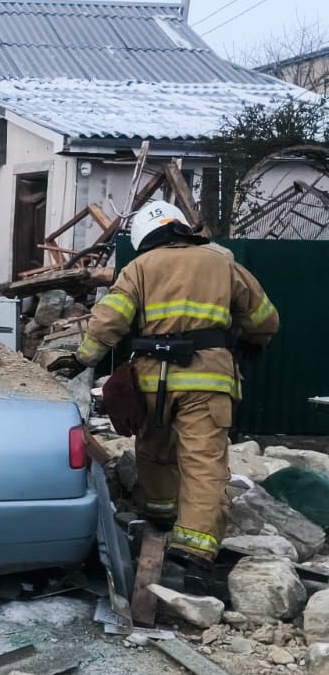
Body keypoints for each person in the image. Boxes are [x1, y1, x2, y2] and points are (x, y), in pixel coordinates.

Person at [57, 201, 279, 594]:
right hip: (207, 381)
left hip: (153, 379)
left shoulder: (140, 268)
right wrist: (254, 341)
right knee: (202, 462)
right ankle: (193, 554)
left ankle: (159, 519)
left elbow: (109, 320)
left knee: (154, 447)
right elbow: (264, 318)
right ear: (180, 227)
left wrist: (81, 358)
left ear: (146, 238)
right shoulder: (221, 260)